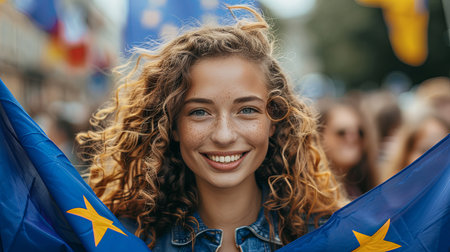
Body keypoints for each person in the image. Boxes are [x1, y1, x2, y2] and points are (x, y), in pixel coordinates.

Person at [76, 5, 342, 251]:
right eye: (199, 112)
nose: (224, 135)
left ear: (273, 120)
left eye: (247, 110)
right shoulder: (124, 240)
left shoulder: (330, 238)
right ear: (172, 126)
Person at [316, 97, 378, 199]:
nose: (353, 138)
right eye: (342, 132)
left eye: (360, 132)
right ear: (319, 136)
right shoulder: (312, 194)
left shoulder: (363, 189)